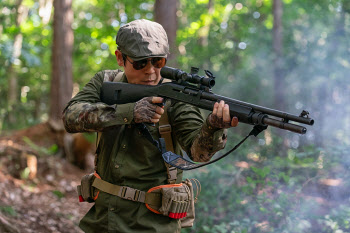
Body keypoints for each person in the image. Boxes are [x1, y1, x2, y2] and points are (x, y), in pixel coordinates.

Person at [62, 19, 238, 233]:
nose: (150, 71)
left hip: (153, 225)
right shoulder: (106, 81)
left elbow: (198, 153)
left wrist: (213, 127)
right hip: (104, 220)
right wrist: (128, 113)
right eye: (140, 63)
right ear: (120, 58)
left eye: (158, 62)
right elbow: (70, 116)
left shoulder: (177, 95)